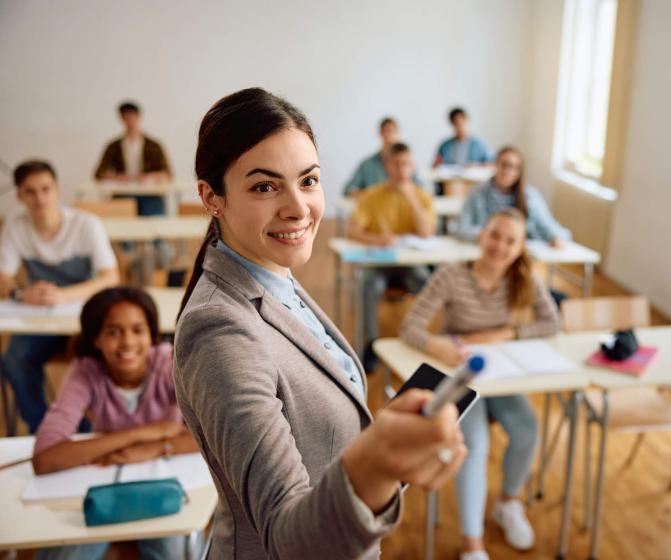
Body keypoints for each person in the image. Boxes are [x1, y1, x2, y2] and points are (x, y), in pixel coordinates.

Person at [174, 87, 466, 559]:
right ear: (212, 197)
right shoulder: (219, 332)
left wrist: (384, 439)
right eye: (264, 187)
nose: (298, 207)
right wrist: (376, 462)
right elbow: (289, 541)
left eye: (308, 180)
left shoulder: (273, 277)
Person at [400, 208, 561, 560]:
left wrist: (507, 333)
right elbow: (410, 327)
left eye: (510, 240)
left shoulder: (524, 279)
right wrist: (437, 344)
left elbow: (552, 323)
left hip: (500, 372)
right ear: (481, 236)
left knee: (527, 428)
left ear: (520, 248)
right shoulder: (451, 276)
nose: (500, 246)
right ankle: (472, 543)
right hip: (461, 372)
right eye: (495, 235)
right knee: (473, 442)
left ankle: (508, 502)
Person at [32, 287, 199, 559]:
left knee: (171, 553)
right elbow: (45, 458)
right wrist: (142, 434)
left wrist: (157, 447)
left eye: (137, 330)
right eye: (113, 332)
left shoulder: (171, 363)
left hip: (164, 480)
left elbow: (217, 436)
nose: (127, 343)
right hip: (104, 482)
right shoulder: (85, 371)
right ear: (96, 339)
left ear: (152, 335)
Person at [0, 160, 119, 433]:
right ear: (19, 195)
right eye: (30, 191)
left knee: (95, 358)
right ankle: (43, 428)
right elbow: (3, 279)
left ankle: (89, 430)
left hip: (84, 318)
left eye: (45, 189)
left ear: (57, 190)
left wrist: (63, 296)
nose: (40, 198)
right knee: (14, 358)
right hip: (41, 319)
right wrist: (22, 293)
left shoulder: (86, 224)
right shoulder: (16, 227)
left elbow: (111, 277)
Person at [347, 142, 436, 371]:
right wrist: (378, 240)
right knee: (367, 285)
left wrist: (411, 198)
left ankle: (416, 339)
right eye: (396, 164)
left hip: (410, 265)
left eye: (406, 164)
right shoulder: (372, 195)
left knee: (430, 286)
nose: (401, 170)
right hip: (380, 264)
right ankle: (372, 344)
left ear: (412, 166)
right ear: (386, 165)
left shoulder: (422, 196)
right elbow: (353, 231)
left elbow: (426, 232)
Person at [459, 146, 572, 248]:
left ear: (519, 172)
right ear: (495, 165)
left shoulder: (530, 196)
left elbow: (548, 225)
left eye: (514, 167)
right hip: (487, 252)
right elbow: (462, 228)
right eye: (504, 165)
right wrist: (481, 235)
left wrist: (556, 237)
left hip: (521, 256)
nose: (508, 171)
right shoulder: (478, 192)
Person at [94, 101, 172, 216]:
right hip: (123, 194)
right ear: (121, 119)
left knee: (154, 224)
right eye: (126, 117)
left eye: (132, 116)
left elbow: (167, 174)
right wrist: (119, 177)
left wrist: (149, 177)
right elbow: (99, 173)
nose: (129, 121)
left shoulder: (154, 146)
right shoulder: (113, 146)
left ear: (139, 117)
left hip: (150, 195)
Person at [343, 117, 422, 196]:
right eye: (386, 132)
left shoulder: (406, 164)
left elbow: (422, 190)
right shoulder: (367, 165)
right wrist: (372, 197)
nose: (389, 136)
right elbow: (349, 189)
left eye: (393, 132)